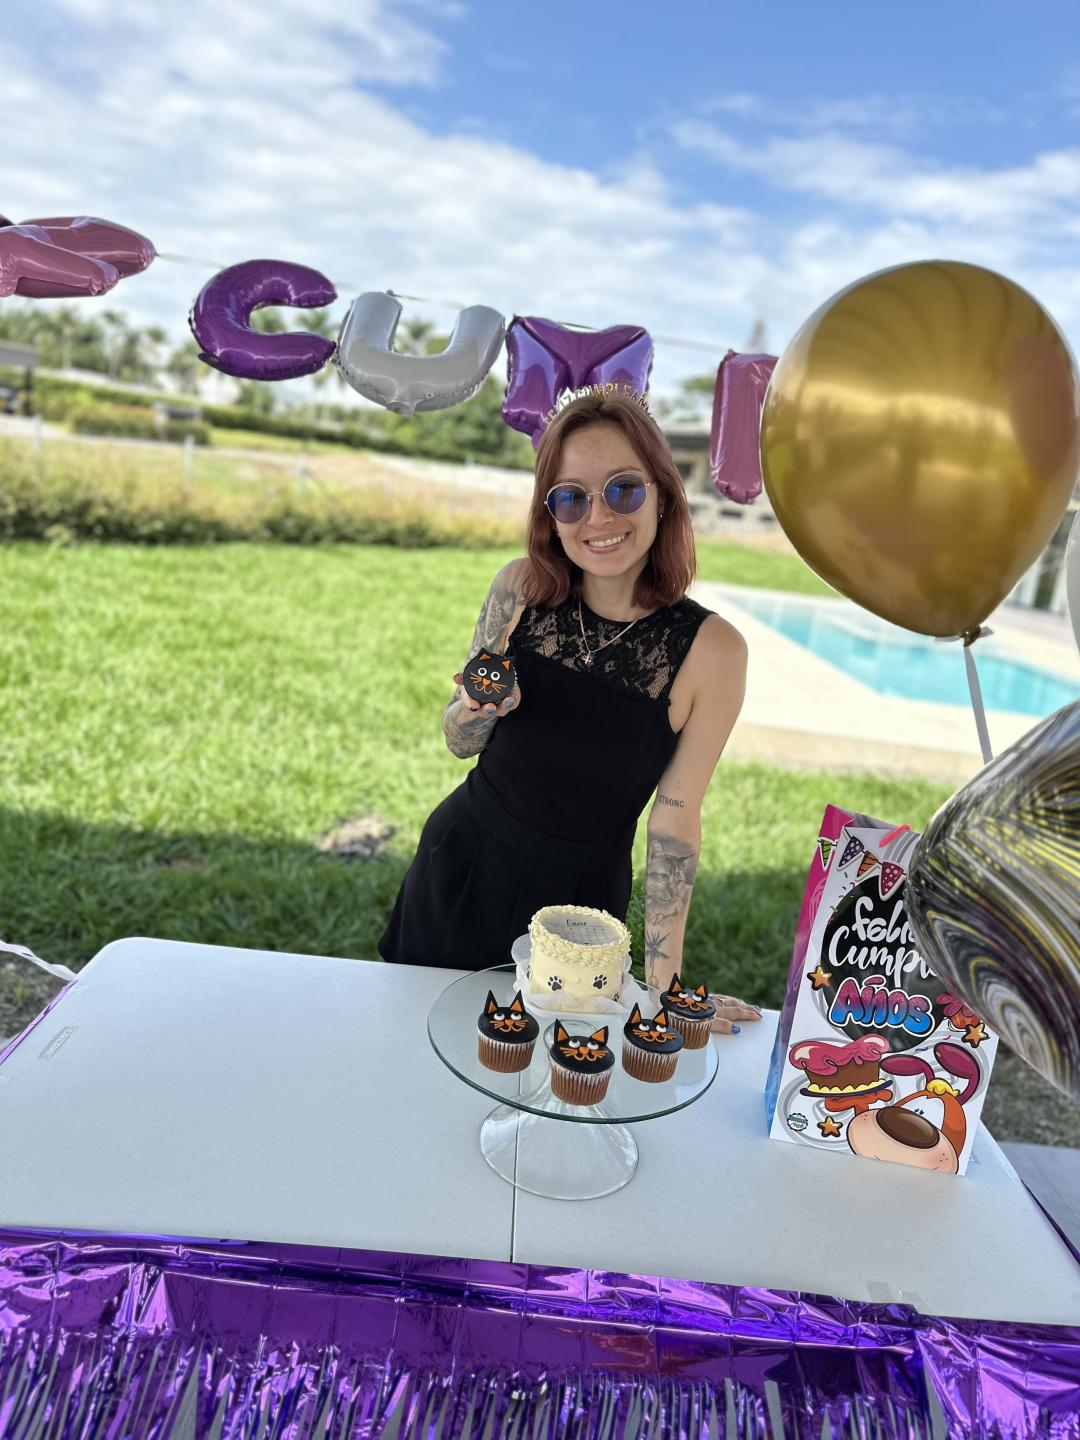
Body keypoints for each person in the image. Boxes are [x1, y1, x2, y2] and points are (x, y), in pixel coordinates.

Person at [377, 389, 761, 1035]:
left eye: (623, 490)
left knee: (558, 1068)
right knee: (412, 1046)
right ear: (550, 514)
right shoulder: (520, 589)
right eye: (571, 497)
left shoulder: (713, 651)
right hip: (461, 868)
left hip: (579, 913)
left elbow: (674, 823)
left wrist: (663, 989)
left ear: (664, 496)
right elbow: (459, 740)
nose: (598, 516)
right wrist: (478, 707)